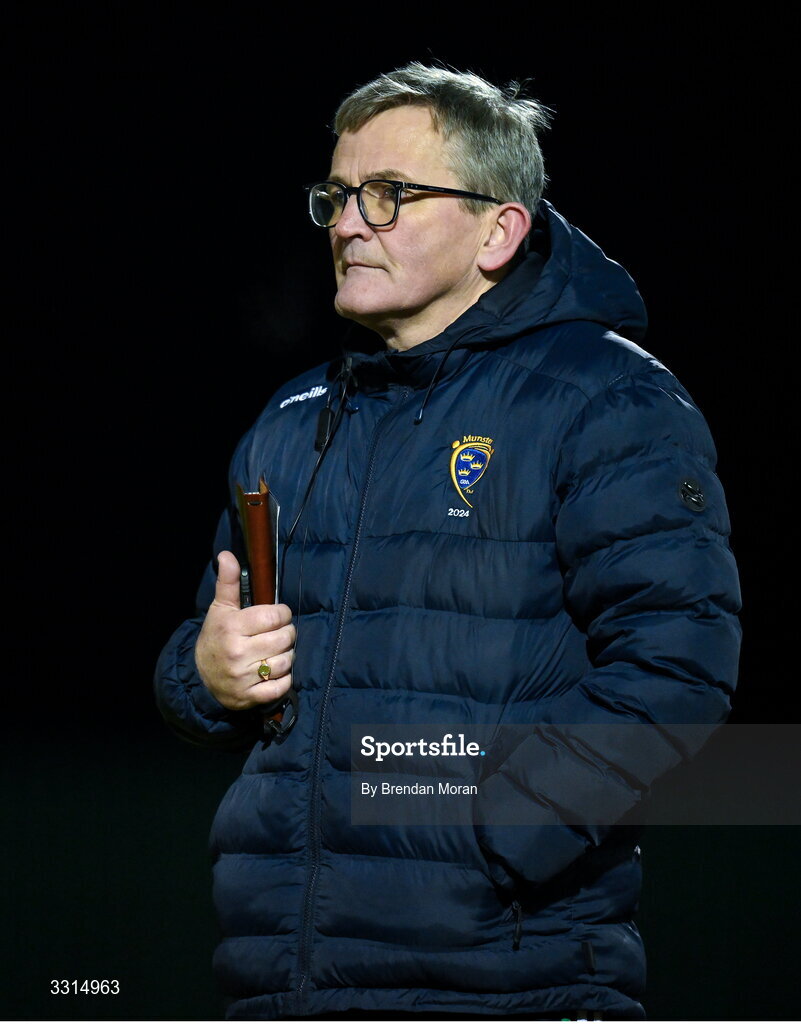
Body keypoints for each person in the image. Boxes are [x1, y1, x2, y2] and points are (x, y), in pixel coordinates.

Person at [154, 63, 741, 1021]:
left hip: (507, 983)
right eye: (339, 195)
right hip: (277, 985)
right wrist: (205, 677)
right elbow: (203, 659)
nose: (348, 223)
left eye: (389, 195)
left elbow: (681, 662)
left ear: (499, 230)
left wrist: (497, 828)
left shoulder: (605, 397)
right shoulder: (292, 417)